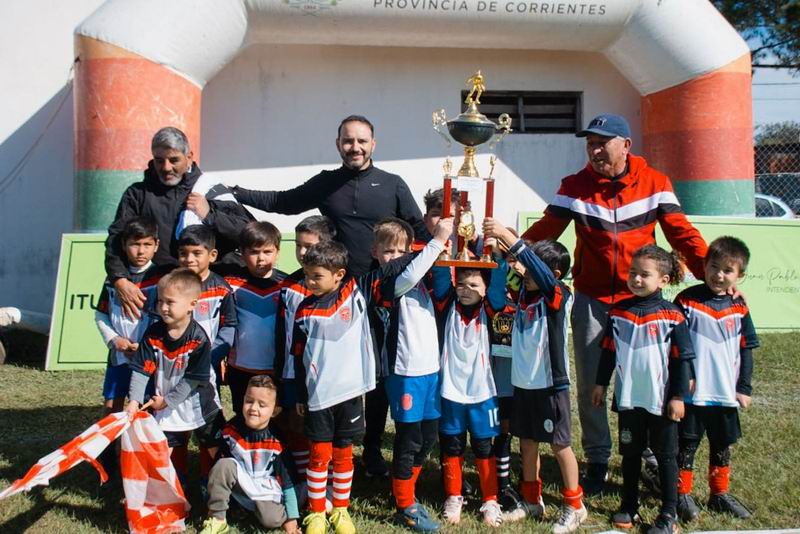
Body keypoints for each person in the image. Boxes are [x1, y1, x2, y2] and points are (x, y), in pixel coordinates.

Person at [522, 114, 708, 494]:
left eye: (602, 142)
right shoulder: (574, 186)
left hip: (641, 305)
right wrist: (509, 252)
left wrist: (715, 278)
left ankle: (649, 455)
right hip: (591, 301)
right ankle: (598, 459)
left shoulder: (656, 183)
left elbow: (683, 235)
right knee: (591, 383)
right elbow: (544, 232)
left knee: (645, 381)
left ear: (625, 145)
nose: (594, 150)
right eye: (590, 143)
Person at [233, 116, 429, 476]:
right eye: (348, 141)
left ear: (373, 144)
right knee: (330, 372)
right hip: (334, 296)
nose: (355, 147)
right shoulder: (327, 182)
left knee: (377, 376)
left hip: (377, 296)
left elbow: (418, 232)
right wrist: (236, 192)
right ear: (338, 144)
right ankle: (328, 444)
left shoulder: (393, 184)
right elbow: (283, 201)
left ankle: (371, 450)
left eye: (362, 141)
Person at [291, 241, 417, 534]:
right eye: (307, 275)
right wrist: (300, 393)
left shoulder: (355, 292)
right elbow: (297, 355)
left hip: (349, 395)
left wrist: (431, 246)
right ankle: (317, 512)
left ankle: (341, 509)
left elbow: (390, 268)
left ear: (339, 275)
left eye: (317, 276)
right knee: (319, 456)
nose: (310, 282)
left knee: (343, 455)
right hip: (318, 397)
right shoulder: (303, 310)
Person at [484, 220, 587, 533]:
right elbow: (502, 283)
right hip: (523, 383)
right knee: (527, 442)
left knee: (559, 445)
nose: (524, 272)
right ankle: (532, 500)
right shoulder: (523, 296)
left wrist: (511, 239)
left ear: (552, 273)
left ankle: (574, 505)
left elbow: (537, 272)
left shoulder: (557, 295)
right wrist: (499, 256)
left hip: (550, 385)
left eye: (531, 268)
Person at [592, 245, 694, 533]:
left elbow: (682, 360)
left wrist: (678, 397)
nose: (636, 279)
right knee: (631, 453)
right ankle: (629, 505)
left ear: (663, 280)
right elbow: (608, 352)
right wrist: (601, 383)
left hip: (661, 400)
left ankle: (669, 513)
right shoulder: (618, 312)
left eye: (644, 274)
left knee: (666, 456)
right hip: (628, 399)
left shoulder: (672, 315)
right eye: (632, 272)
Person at [106, 126, 252, 319]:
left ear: (189, 157)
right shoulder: (137, 194)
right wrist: (119, 279)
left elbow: (247, 234)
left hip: (214, 292)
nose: (166, 167)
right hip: (163, 296)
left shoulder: (211, 188)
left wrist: (210, 215)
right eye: (159, 160)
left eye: (174, 160)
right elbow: (117, 238)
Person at [369, 217, 453, 531]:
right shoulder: (383, 281)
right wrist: (437, 240)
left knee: (429, 435)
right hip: (404, 372)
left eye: (401, 251)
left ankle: (405, 490)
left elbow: (433, 279)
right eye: (388, 251)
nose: (394, 257)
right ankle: (405, 506)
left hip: (430, 370)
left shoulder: (420, 282)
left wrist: (443, 250)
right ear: (375, 252)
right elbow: (411, 272)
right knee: (408, 437)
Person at [674, 236, 759, 521]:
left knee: (722, 444)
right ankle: (681, 494)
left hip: (724, 392)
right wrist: (685, 377)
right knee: (687, 444)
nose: (719, 275)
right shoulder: (686, 300)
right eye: (713, 267)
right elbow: (677, 346)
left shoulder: (739, 306)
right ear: (704, 265)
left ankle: (719, 494)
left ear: (739, 275)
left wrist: (743, 387)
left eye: (727, 270)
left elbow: (746, 349)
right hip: (693, 393)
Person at [431, 248, 508, 527]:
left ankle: (490, 499)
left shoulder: (490, 308)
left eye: (474, 285)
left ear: (485, 289)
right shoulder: (447, 305)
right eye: (462, 283)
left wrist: (496, 255)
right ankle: (454, 495)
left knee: (483, 446)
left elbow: (498, 284)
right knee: (452, 444)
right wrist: (444, 250)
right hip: (450, 390)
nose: (466, 290)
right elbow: (441, 277)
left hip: (482, 391)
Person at [126, 269, 225, 484]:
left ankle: (223, 490)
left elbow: (193, 379)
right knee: (163, 453)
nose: (163, 307)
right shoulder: (153, 334)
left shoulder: (199, 339)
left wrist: (168, 401)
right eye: (160, 301)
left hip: (200, 404)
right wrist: (134, 401)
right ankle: (164, 493)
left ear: (192, 304)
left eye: (170, 302)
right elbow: (141, 369)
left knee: (216, 450)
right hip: (165, 404)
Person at [275, 215, 337, 487]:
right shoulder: (288, 285)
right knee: (297, 425)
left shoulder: (338, 287)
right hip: (293, 371)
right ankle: (303, 480)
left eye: (309, 246)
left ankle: (329, 479)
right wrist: (280, 368)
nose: (302, 252)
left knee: (326, 429)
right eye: (298, 245)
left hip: (327, 374)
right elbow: (282, 332)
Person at [200, 375, 302, 534]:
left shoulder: (278, 442)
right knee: (223, 465)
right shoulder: (231, 430)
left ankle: (246, 510)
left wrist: (292, 519)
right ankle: (217, 518)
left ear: (275, 411)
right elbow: (220, 469)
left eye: (262, 405)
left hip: (264, 490)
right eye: (249, 401)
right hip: (240, 484)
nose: (253, 408)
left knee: (272, 520)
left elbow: (287, 483)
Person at [176, 225, 237, 486]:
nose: (189, 259)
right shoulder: (171, 285)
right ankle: (176, 481)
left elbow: (229, 326)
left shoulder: (221, 288)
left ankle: (208, 480)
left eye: (196, 253)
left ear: (212, 255)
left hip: (205, 371)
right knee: (174, 425)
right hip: (173, 369)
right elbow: (157, 322)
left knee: (208, 425)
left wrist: (213, 355)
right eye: (183, 253)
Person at [95, 217, 168, 416]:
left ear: (156, 245)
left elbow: (166, 319)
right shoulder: (113, 281)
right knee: (112, 407)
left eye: (147, 244)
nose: (141, 251)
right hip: (119, 356)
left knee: (146, 407)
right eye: (135, 244)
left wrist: (146, 346)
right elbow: (101, 314)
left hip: (149, 356)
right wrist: (114, 340)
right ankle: (112, 438)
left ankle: (139, 438)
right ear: (124, 245)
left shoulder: (162, 279)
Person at [221, 222, 287, 415]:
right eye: (254, 252)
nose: (261, 258)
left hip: (276, 368)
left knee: (276, 418)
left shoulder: (287, 285)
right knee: (244, 416)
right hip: (240, 367)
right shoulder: (230, 283)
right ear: (242, 253)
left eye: (267, 252)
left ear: (278, 252)